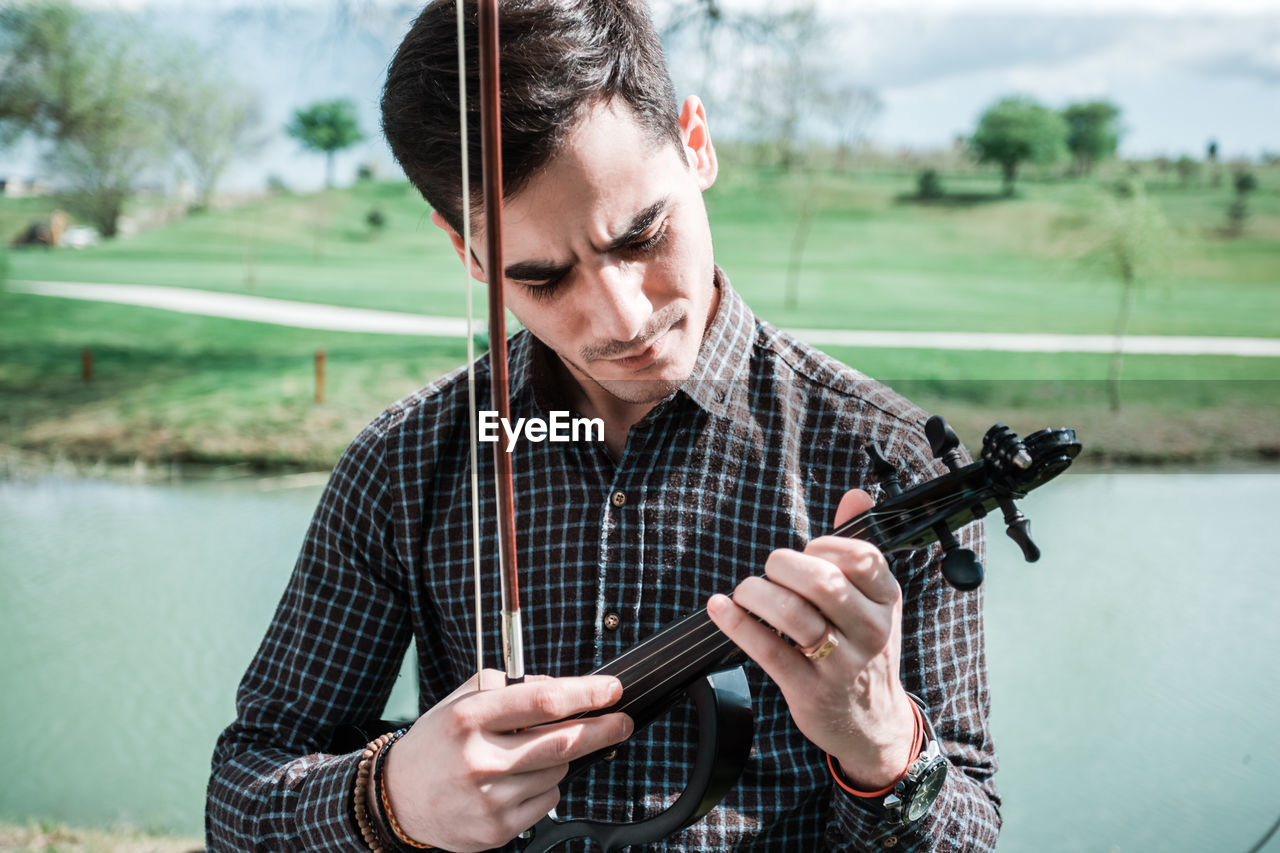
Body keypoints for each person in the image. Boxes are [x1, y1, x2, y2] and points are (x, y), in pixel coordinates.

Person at [205, 1, 999, 850]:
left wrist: (884, 751)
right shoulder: (399, 463)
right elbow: (241, 797)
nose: (621, 316)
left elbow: (972, 834)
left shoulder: (886, 454)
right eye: (543, 278)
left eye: (642, 234)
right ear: (468, 255)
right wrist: (390, 797)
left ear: (696, 142)